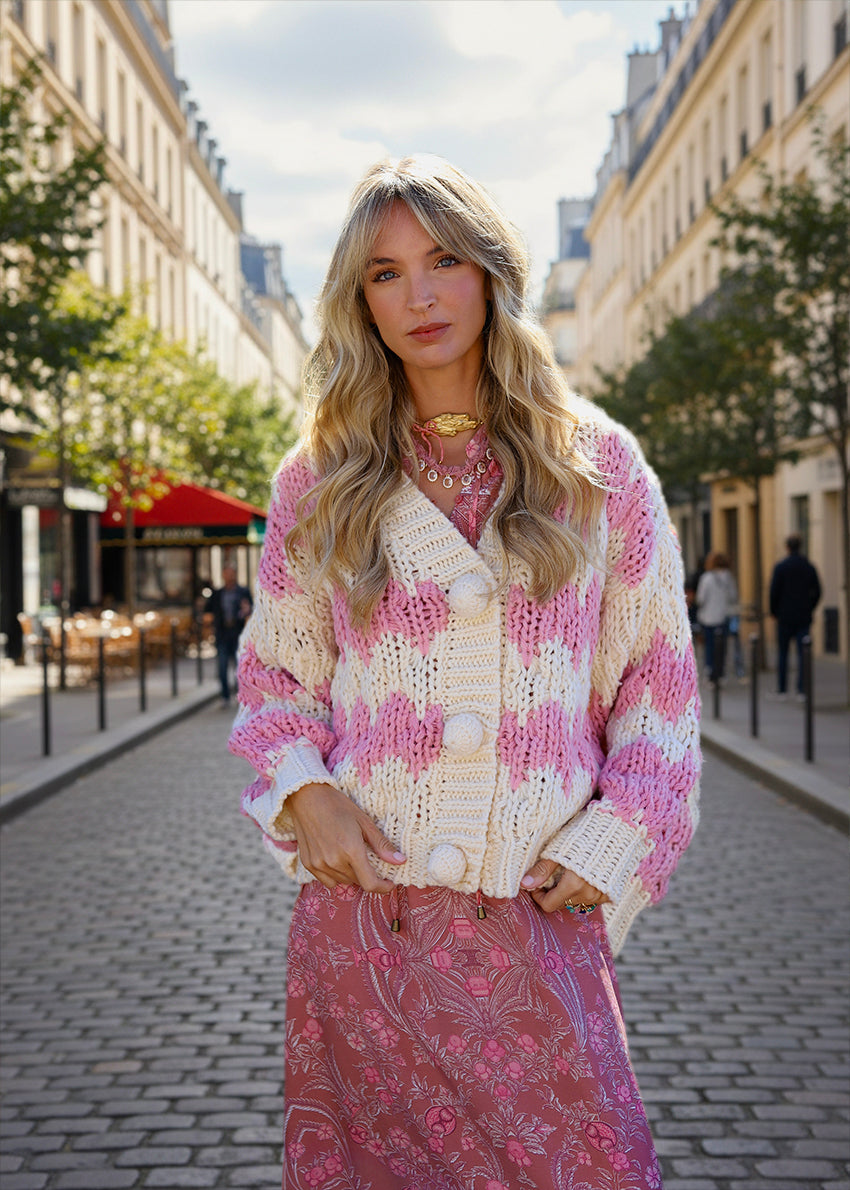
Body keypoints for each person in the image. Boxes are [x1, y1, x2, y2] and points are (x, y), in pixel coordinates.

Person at [229, 155, 701, 1188]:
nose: (420, 294)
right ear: (360, 299)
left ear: (491, 272)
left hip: (534, 920)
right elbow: (275, 682)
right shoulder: (318, 477)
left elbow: (659, 695)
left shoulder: (598, 468)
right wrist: (304, 792)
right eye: (385, 272)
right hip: (366, 923)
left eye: (443, 260)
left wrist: (620, 830)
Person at [769, 533, 821, 696]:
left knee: (783, 653)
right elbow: (818, 591)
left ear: (787, 547)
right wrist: (810, 607)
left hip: (784, 616)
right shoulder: (809, 566)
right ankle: (801, 689)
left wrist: (774, 611)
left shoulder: (781, 567)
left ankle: (782, 688)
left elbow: (773, 592)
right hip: (803, 617)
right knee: (803, 654)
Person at [206, 564, 252, 704]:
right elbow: (208, 612)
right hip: (222, 634)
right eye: (226, 574)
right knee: (222, 666)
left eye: (231, 574)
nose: (229, 577)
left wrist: (246, 610)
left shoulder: (243, 592)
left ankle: (242, 696)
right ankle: (225, 696)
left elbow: (251, 611)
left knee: (240, 668)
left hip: (238, 633)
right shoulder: (217, 594)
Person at [695, 551, 737, 684]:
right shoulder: (728, 577)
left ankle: (710, 671)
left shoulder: (706, 578)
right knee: (722, 647)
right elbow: (733, 596)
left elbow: (700, 599)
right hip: (723, 617)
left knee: (709, 646)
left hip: (708, 618)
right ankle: (721, 672)